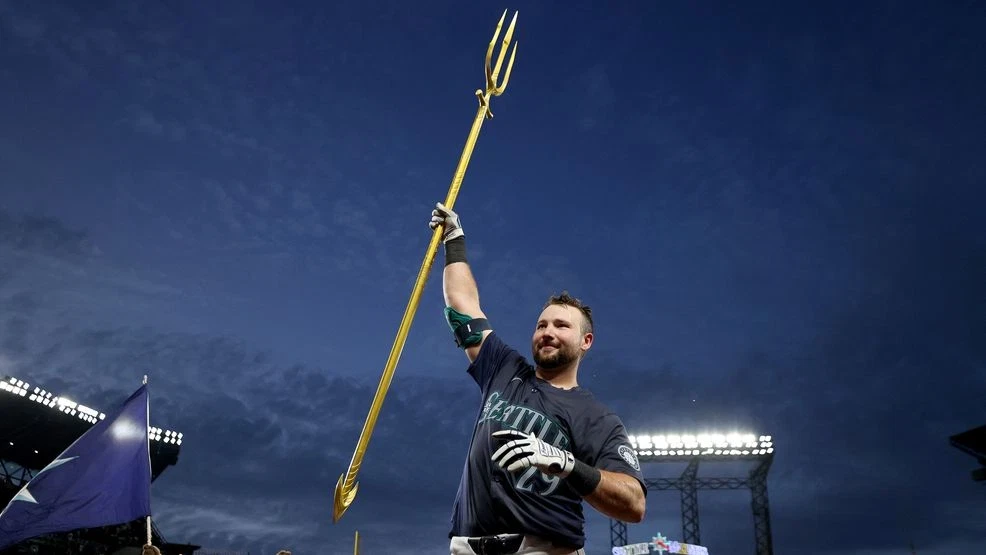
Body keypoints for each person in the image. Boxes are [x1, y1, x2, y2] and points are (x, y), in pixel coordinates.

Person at [429, 203, 647, 555]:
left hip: (543, 549)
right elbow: (462, 306)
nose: (547, 332)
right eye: (541, 325)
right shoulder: (504, 369)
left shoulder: (597, 417)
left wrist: (567, 464)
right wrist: (454, 240)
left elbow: (634, 503)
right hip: (467, 547)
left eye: (561, 326)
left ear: (585, 342)